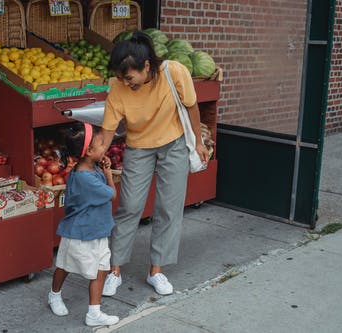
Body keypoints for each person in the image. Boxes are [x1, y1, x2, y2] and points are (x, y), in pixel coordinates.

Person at [100, 31, 210, 296]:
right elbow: (107, 130)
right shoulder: (118, 88)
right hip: (138, 147)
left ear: (146, 66)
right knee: (130, 206)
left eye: (129, 77)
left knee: (169, 207)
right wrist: (95, 156)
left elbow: (192, 107)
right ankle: (115, 269)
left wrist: (197, 142)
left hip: (173, 144)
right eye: (120, 78)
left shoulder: (175, 72)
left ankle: (156, 271)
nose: (125, 83)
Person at [48, 122, 120, 327]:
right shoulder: (86, 177)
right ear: (88, 151)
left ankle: (94, 312)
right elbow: (112, 195)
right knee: (65, 266)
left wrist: (102, 167)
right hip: (79, 233)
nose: (104, 146)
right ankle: (54, 294)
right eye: (100, 144)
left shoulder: (88, 167)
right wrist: (108, 173)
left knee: (101, 268)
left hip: (97, 230)